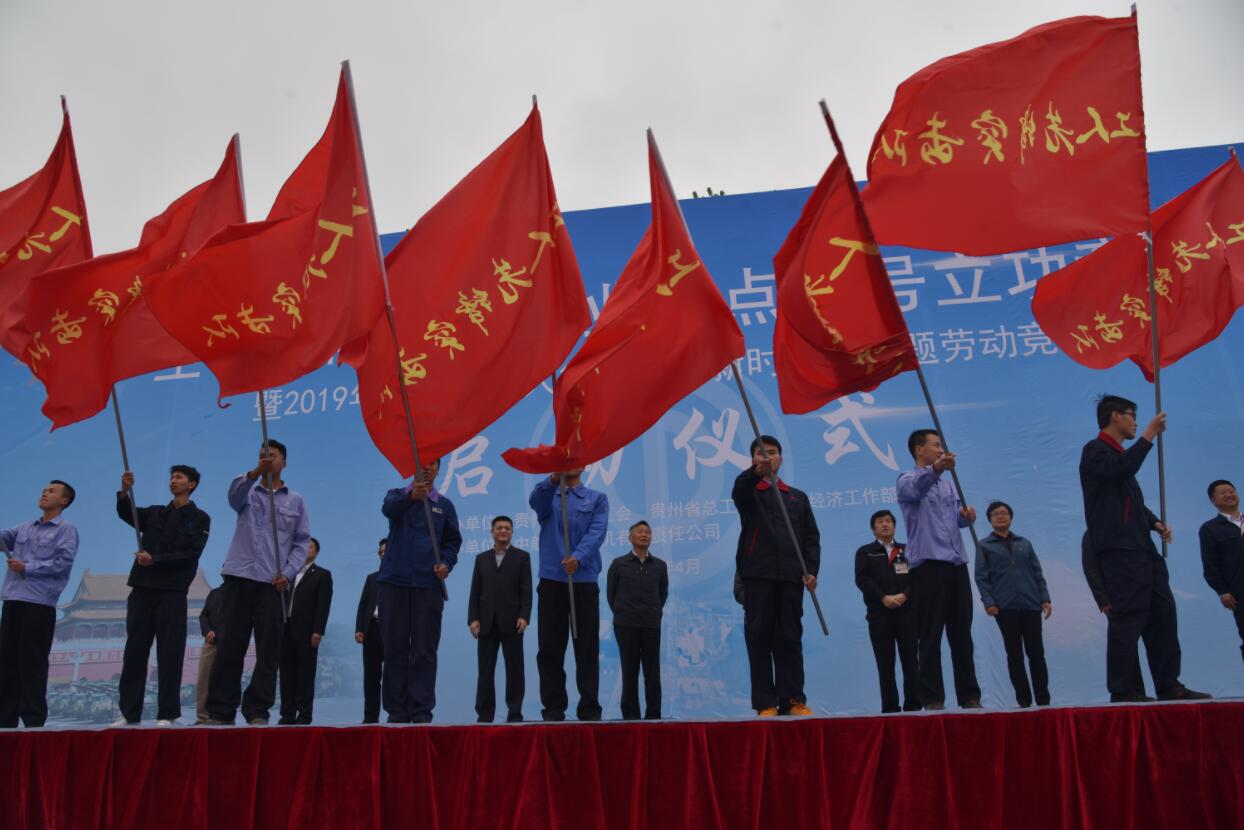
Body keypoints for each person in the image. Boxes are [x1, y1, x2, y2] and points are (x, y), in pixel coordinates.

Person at [1079, 395, 1209, 702]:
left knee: (1163, 614)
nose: (1136, 423)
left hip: (1143, 549)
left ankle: (1169, 684)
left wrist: (1155, 523)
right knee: (1128, 617)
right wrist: (1150, 434)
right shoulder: (1095, 451)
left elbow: (1132, 502)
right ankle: (1125, 689)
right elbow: (1120, 469)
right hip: (1119, 550)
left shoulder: (1120, 457)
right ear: (1115, 416)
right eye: (1132, 415)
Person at [205, 440, 311, 725]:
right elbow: (233, 498)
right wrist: (254, 473)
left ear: (284, 462)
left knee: (268, 649)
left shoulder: (296, 501)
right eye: (262, 454)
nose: (267, 458)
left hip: (271, 583)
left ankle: (257, 709)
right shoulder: (248, 490)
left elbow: (301, 543)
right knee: (230, 645)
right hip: (239, 576)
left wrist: (288, 573)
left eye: (272, 455)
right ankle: (221, 710)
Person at [113, 466, 211, 726]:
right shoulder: (155, 513)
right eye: (171, 477)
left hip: (172, 592)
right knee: (134, 652)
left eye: (179, 477)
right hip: (142, 589)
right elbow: (127, 514)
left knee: (170, 653)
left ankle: (167, 713)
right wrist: (124, 491)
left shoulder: (200, 518)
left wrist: (155, 559)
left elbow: (191, 553)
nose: (173, 481)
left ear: (191, 484)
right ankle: (129, 712)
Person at [733, 435, 820, 717]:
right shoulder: (749, 493)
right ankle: (765, 703)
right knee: (759, 638)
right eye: (760, 453)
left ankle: (792, 699)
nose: (766, 457)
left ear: (780, 458)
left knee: (790, 638)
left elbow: (811, 538)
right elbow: (738, 490)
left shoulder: (797, 497)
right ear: (753, 459)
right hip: (758, 576)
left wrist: (811, 570)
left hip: (791, 578)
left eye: (771, 452)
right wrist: (753, 473)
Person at [897, 429, 981, 710]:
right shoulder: (906, 479)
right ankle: (933, 698)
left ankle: (970, 695)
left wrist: (965, 518)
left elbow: (954, 520)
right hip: (928, 567)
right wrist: (936, 469)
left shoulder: (948, 485)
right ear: (919, 449)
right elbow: (916, 489)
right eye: (935, 444)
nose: (940, 449)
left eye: (941, 445)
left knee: (962, 634)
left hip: (956, 564)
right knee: (930, 634)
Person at [378, 459, 461, 724]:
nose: (427, 467)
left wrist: (446, 563)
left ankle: (421, 709)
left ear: (438, 469)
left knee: (425, 649)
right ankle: (396, 711)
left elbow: (452, 542)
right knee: (395, 648)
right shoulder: (396, 496)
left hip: (428, 585)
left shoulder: (444, 505)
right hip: (395, 583)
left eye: (432, 463)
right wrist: (411, 497)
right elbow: (389, 510)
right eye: (422, 462)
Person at [531, 467, 608, 722]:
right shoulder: (549, 495)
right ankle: (553, 708)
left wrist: (578, 557)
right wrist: (553, 478)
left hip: (583, 580)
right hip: (552, 580)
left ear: (584, 465)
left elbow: (596, 533)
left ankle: (589, 708)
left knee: (587, 647)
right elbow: (535, 502)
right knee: (550, 648)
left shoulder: (597, 499)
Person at [0, 481, 79, 728]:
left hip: (39, 604)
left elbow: (62, 563)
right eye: (44, 490)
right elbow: (3, 539)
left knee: (32, 662)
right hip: (13, 600)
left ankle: (33, 720)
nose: (45, 492)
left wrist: (28, 567)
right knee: (7, 661)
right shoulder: (25, 528)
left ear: (64, 501)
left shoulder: (66, 530)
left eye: (52, 491)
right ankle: (5, 719)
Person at [974, 501, 1051, 708]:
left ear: (1011, 517)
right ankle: (1024, 701)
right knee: (1014, 655)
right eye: (995, 514)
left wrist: (1045, 598)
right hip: (1005, 607)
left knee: (1036, 654)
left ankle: (1044, 700)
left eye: (1004, 513)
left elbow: (1037, 572)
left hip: (1031, 604)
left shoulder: (1024, 543)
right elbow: (981, 578)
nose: (1000, 516)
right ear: (990, 520)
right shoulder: (984, 546)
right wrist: (989, 602)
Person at [854, 509, 919, 713]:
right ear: (873, 528)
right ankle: (890, 707)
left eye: (889, 521)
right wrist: (883, 597)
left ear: (894, 526)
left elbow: (917, 576)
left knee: (911, 661)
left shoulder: (907, 550)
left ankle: (914, 705)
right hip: (879, 615)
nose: (885, 524)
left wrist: (904, 595)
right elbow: (862, 579)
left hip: (907, 613)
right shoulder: (865, 551)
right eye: (880, 522)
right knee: (885, 663)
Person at [467, 516, 532, 723]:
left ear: (512, 532)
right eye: (499, 528)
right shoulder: (481, 559)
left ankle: (515, 712)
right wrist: (473, 618)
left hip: (513, 622)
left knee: (515, 670)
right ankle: (484, 714)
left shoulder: (522, 557)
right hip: (486, 623)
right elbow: (475, 591)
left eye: (507, 528)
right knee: (485, 670)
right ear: (492, 532)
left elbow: (526, 591)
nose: (503, 531)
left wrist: (524, 616)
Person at [607, 520, 668, 720]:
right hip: (626, 625)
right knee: (629, 671)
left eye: (648, 532)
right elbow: (611, 594)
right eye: (640, 532)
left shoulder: (660, 566)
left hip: (651, 624)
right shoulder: (618, 564)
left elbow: (662, 594)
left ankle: (653, 714)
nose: (644, 535)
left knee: (652, 671)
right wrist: (623, 612)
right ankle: (631, 716)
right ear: (630, 537)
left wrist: (654, 612)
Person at [1082, 532, 1149, 700]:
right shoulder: (1092, 534)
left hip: (1136, 592)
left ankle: (1137, 691)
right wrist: (1102, 599)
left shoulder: (1127, 530)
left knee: (1130, 642)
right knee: (1123, 642)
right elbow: (1090, 568)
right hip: (1114, 598)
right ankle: (1126, 690)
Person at [279, 537, 332, 724]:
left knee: (305, 675)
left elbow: (323, 605)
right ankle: (287, 714)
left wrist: (318, 630)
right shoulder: (288, 574)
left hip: (307, 632)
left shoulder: (322, 575)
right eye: (302, 547)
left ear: (316, 552)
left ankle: (304, 714)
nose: (305, 550)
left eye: (309, 547)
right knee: (286, 673)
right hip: (286, 630)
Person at [1199, 479, 1244, 667]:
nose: (1229, 495)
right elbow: (1210, 565)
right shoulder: (1210, 529)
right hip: (1239, 592)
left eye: (1231, 491)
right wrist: (1222, 591)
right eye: (1223, 493)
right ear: (1213, 500)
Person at [355, 538, 386, 724]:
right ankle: (370, 716)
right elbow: (363, 605)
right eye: (380, 552)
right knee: (371, 677)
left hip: (391, 631)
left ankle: (395, 714)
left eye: (386, 551)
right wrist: (360, 628)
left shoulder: (401, 577)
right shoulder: (372, 578)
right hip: (372, 629)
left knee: (393, 676)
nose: (383, 554)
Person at [195, 586, 224, 724]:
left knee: (225, 681)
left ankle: (222, 716)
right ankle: (203, 717)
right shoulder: (215, 593)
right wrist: (207, 631)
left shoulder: (241, 594)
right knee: (203, 679)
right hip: (211, 642)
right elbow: (204, 615)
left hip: (230, 643)